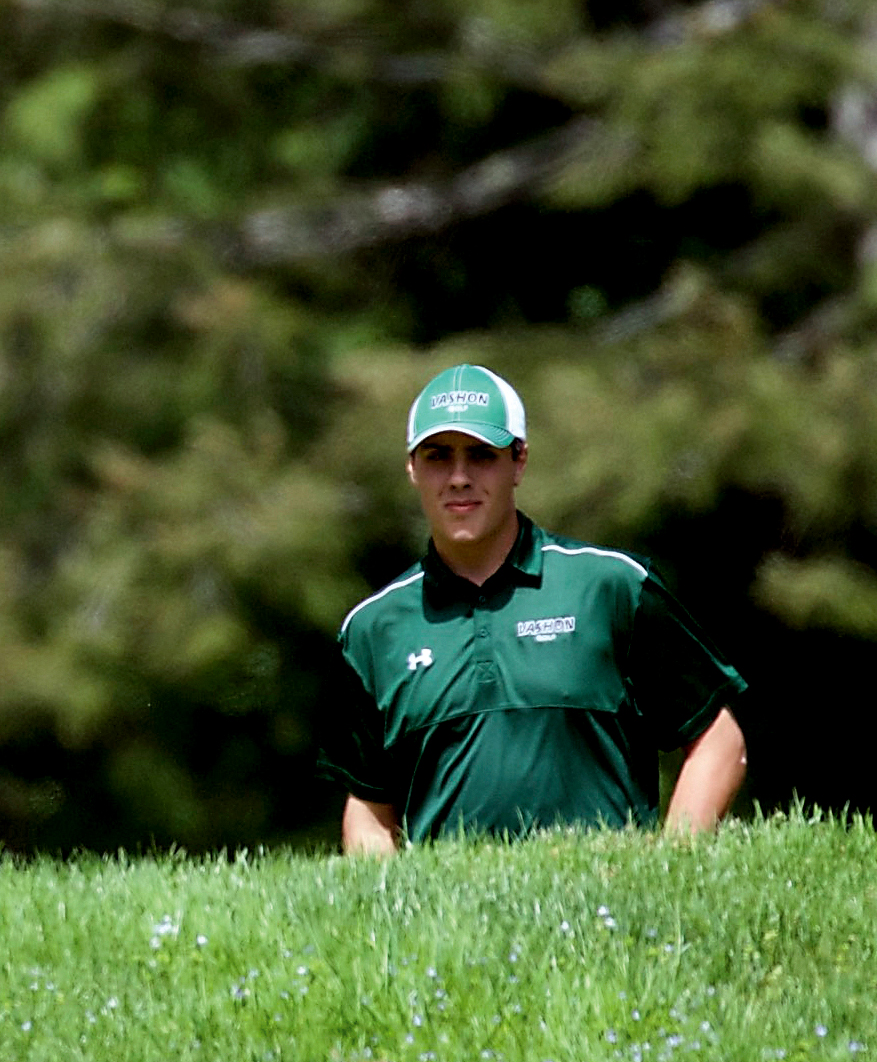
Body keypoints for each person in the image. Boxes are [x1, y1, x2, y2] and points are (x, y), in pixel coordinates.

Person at [319, 363, 748, 854]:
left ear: (519, 461)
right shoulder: (373, 628)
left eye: (482, 455)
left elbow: (719, 740)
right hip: (450, 925)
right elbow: (370, 808)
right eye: (438, 456)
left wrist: (670, 865)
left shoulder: (611, 586)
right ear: (412, 468)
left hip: (604, 911)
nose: (459, 478)